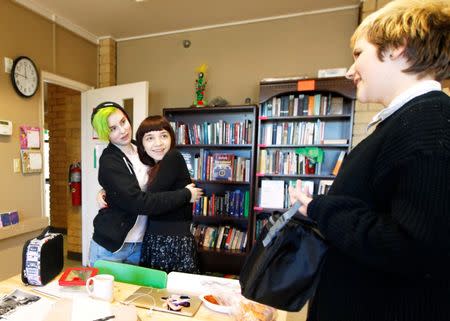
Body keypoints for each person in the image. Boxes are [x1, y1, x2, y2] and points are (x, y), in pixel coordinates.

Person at [289, 1, 450, 320]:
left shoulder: (428, 125)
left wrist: (321, 209)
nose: (350, 70)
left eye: (358, 54)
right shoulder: (405, 122)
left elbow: (413, 247)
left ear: (397, 48)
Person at [89, 102, 202, 267]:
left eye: (123, 122)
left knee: (136, 293)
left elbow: (156, 180)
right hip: (112, 247)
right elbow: (138, 202)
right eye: (112, 129)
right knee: (106, 292)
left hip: (141, 243)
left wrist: (106, 190)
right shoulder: (109, 161)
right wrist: (185, 194)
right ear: (105, 134)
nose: (122, 130)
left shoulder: (142, 147)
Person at [136, 115, 200, 273]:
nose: (158, 143)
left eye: (164, 136)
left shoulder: (173, 156)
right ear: (142, 145)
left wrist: (184, 194)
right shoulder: (155, 166)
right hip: (161, 239)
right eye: (150, 138)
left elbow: (148, 203)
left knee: (168, 295)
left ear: (171, 138)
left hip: (170, 241)